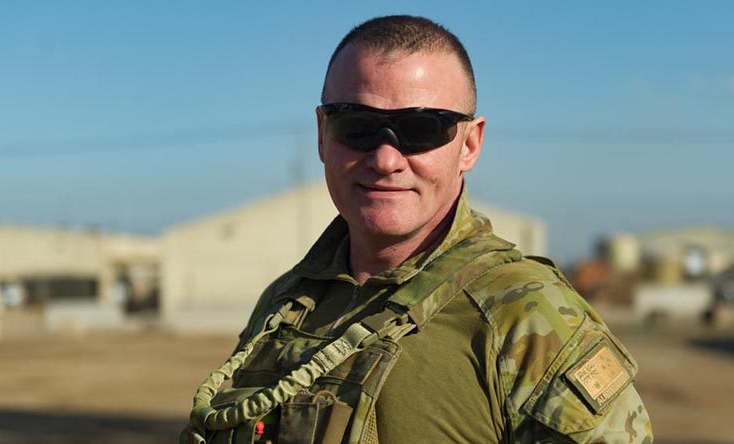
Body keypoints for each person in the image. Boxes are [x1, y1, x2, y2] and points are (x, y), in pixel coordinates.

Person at [181, 15, 653, 444]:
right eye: (358, 125)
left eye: (424, 128)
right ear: (323, 134)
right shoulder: (286, 305)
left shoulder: (528, 320)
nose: (386, 160)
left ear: (470, 144)